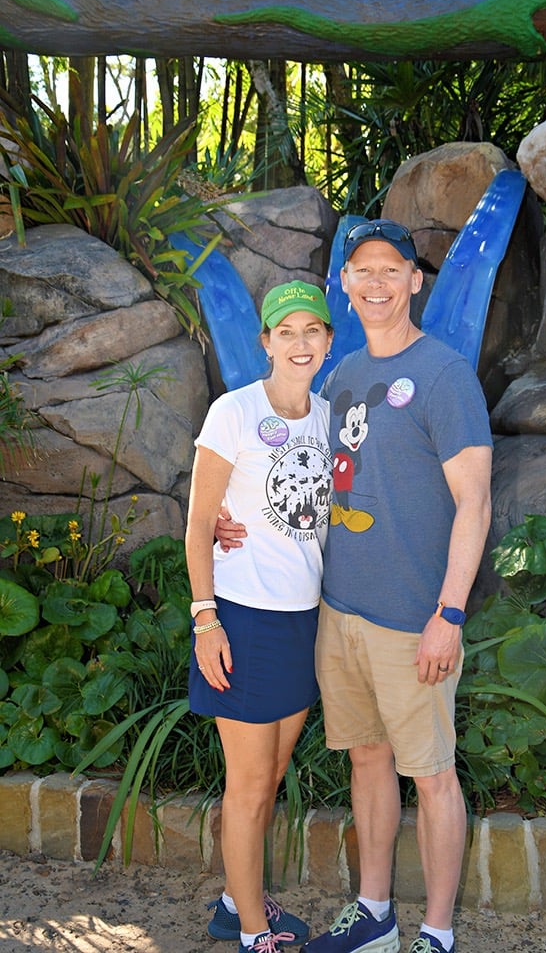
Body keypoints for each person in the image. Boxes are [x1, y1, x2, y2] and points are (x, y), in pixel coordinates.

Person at [218, 219, 493, 953]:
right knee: (367, 760)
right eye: (361, 270)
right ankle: (375, 913)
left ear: (414, 281)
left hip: (414, 618)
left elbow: (475, 501)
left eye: (390, 269)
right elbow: (283, 474)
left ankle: (436, 931)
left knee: (431, 776)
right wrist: (222, 519)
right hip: (337, 614)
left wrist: (449, 612)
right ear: (345, 284)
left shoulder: (443, 374)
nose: (375, 282)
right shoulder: (335, 380)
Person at [186, 280, 334, 953]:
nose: (300, 344)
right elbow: (196, 527)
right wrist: (204, 618)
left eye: (313, 330)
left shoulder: (331, 417)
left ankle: (230, 901)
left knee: (269, 777)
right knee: (246, 786)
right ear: (265, 342)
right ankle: (253, 933)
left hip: (304, 621)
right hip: (240, 619)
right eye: (287, 331)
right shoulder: (232, 412)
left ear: (328, 341)